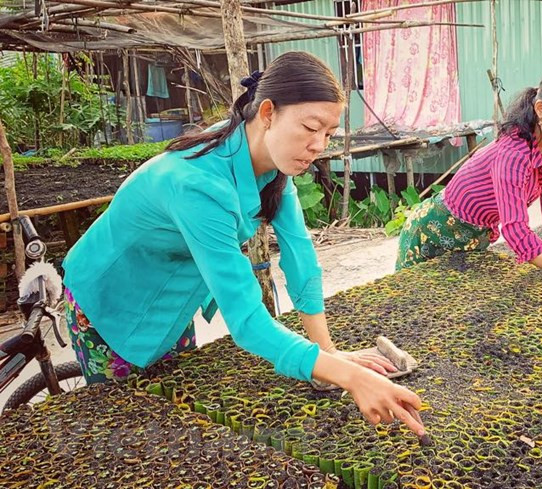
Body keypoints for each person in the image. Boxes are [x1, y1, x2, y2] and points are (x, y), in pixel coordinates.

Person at [62, 51, 425, 435]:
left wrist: (330, 357)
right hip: (108, 299)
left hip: (172, 296)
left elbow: (302, 262)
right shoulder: (197, 184)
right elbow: (247, 321)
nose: (320, 145)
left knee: (174, 402)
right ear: (267, 112)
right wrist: (352, 378)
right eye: (310, 127)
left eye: (329, 133)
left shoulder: (272, 162)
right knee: (128, 427)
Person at [396, 65, 542, 308]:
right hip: (433, 232)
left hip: (474, 236)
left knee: (455, 306)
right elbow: (515, 232)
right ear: (541, 109)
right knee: (416, 304)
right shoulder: (514, 153)